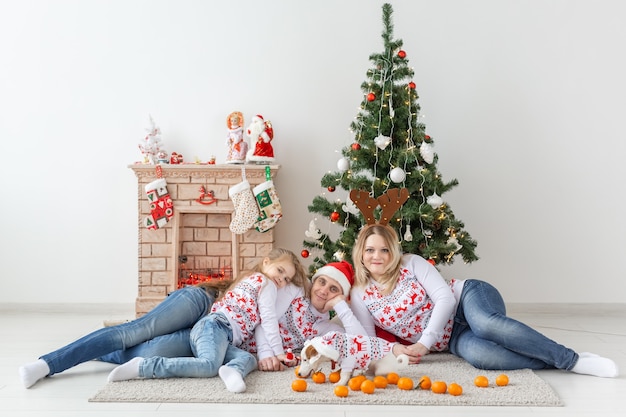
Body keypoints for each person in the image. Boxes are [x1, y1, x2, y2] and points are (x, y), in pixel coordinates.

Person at [349, 224, 619, 378]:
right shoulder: (360, 294)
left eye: (384, 249)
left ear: (393, 252)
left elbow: (444, 297)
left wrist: (424, 343)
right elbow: (368, 340)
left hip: (467, 299)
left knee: (488, 326)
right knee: (482, 357)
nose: (377, 256)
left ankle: (571, 360)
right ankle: (555, 360)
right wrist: (396, 351)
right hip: (452, 338)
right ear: (361, 254)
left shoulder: (412, 264)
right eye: (370, 250)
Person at [107, 248, 308, 393]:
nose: (281, 279)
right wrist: (279, 352)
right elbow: (269, 319)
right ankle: (144, 367)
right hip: (215, 327)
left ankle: (232, 369)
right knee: (209, 365)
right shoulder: (266, 284)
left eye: (287, 279)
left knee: (248, 359)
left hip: (221, 335)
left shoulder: (252, 280)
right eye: (280, 271)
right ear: (267, 263)